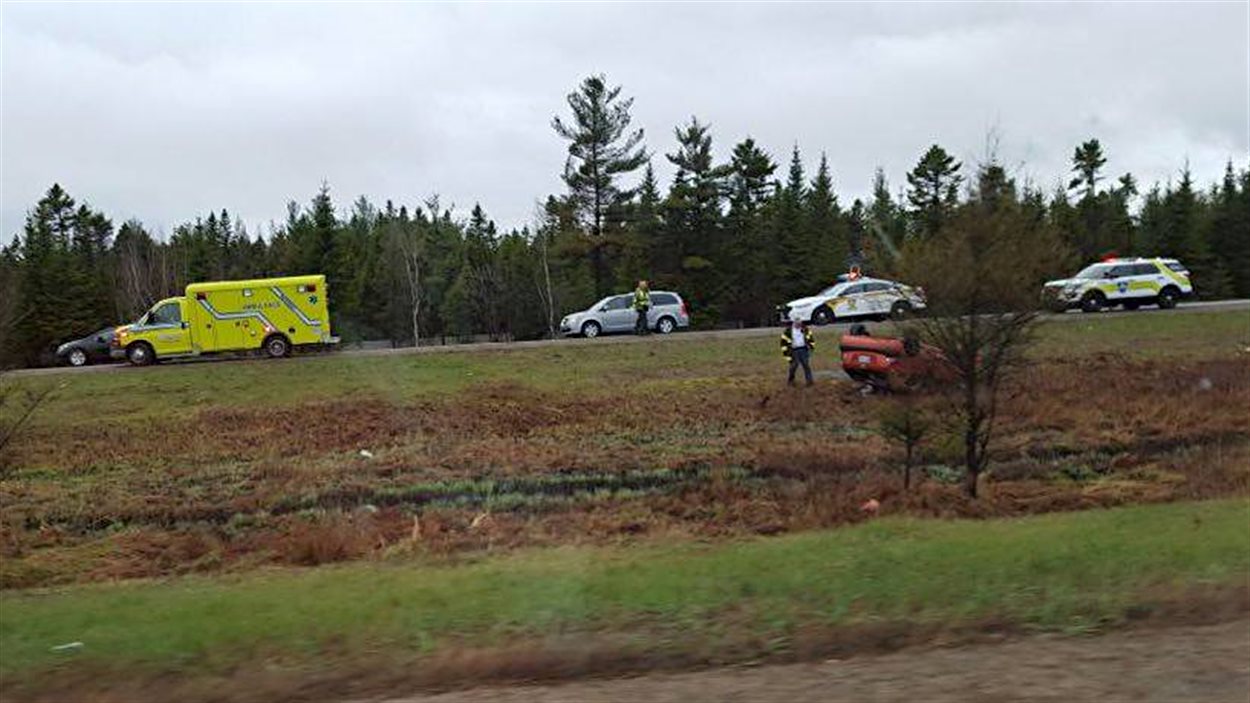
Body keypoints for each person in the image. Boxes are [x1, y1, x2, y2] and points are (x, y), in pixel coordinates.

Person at [780, 317, 815, 387]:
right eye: (797, 324)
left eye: (800, 324)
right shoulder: (788, 331)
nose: (799, 325)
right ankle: (791, 381)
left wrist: (811, 348)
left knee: (806, 365)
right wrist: (787, 355)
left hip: (804, 350)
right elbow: (783, 343)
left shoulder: (805, 329)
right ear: (794, 323)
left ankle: (809, 381)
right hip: (793, 351)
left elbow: (811, 339)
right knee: (793, 366)